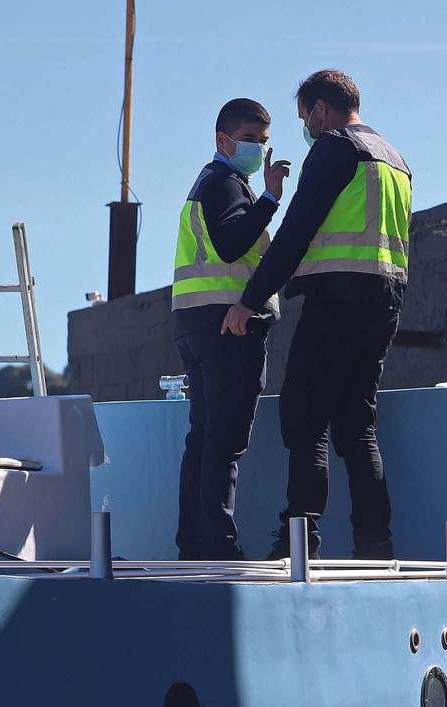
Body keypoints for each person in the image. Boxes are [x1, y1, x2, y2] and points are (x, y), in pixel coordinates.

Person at [222, 69, 412, 560]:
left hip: (337, 300)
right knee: (357, 425)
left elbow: (295, 233)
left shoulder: (334, 147)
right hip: (385, 304)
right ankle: (376, 543)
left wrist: (250, 298)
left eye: (306, 116)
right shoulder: (396, 160)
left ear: (321, 109)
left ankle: (299, 541)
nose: (306, 126)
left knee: (304, 417)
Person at [171, 97, 292, 560]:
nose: (259, 150)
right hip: (227, 324)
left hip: (196, 322)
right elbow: (230, 245)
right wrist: (270, 197)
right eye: (249, 141)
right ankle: (218, 546)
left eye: (264, 142)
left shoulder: (209, 183)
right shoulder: (224, 183)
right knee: (224, 438)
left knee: (204, 435)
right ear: (223, 140)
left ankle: (194, 544)